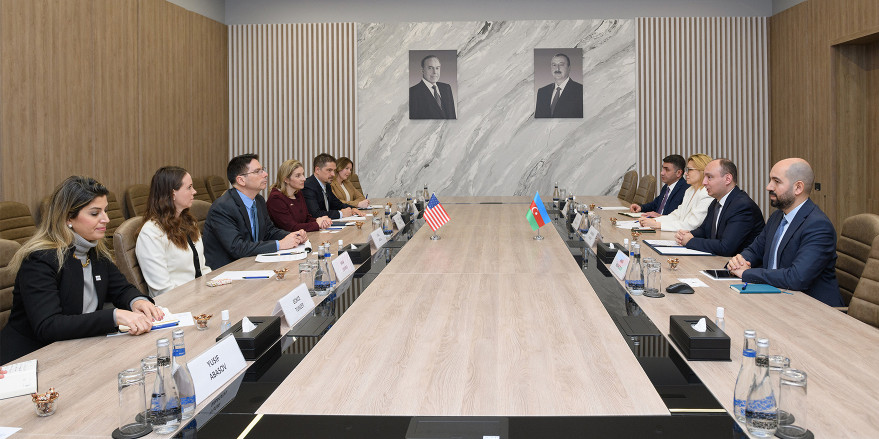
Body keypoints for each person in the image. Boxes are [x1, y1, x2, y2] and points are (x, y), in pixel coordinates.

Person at [0, 176, 163, 364]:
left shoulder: (95, 251)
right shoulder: (40, 259)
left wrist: (137, 301)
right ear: (68, 217)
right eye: (95, 213)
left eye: (105, 211)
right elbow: (48, 325)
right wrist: (114, 316)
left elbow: (122, 289)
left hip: (78, 348)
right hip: (31, 358)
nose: (106, 219)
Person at [727, 159, 843, 307]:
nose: (769, 187)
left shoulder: (818, 226)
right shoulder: (777, 216)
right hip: (776, 298)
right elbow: (755, 250)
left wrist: (746, 273)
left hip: (812, 308)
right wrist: (739, 261)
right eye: (770, 180)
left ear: (798, 188)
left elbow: (797, 278)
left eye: (776, 181)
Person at [202, 154, 308, 269]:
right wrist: (279, 244)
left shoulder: (258, 200)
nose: (265, 174)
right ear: (241, 180)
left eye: (263, 170)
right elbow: (237, 247)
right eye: (258, 171)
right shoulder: (222, 207)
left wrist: (294, 236)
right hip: (227, 269)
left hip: (252, 262)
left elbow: (269, 231)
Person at [136, 166, 212, 297]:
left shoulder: (189, 222)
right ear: (172, 194)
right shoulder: (151, 233)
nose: (194, 191)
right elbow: (162, 290)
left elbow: (203, 269)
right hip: (176, 302)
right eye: (189, 187)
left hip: (200, 295)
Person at [674, 159, 764, 256]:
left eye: (709, 177)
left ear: (728, 179)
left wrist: (690, 241)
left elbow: (725, 247)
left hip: (740, 263)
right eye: (704, 177)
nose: (704, 182)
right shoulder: (715, 202)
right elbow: (704, 230)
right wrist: (688, 235)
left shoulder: (742, 206)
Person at [640, 154, 713, 231]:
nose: (685, 173)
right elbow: (677, 215)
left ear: (702, 171)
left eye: (690, 170)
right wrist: (654, 221)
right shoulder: (690, 190)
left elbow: (691, 224)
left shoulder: (706, 194)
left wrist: (658, 224)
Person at [267, 159, 333, 232]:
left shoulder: (298, 193)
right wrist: (317, 224)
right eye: (298, 176)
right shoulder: (276, 198)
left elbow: (306, 218)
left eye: (303, 174)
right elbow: (291, 227)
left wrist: (320, 221)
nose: (304, 179)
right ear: (286, 179)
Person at [302, 153, 363, 220]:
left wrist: (352, 208)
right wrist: (340, 214)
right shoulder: (308, 186)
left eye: (334, 170)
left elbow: (337, 204)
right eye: (329, 170)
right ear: (317, 170)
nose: (333, 174)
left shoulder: (327, 185)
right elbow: (315, 214)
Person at [535, 53, 583, 118]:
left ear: (569, 68)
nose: (557, 69)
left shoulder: (580, 91)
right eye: (554, 65)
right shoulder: (542, 92)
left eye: (561, 65)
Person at [409, 55, 456, 119]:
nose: (435, 72)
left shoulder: (446, 88)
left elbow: (452, 115)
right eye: (430, 68)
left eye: (437, 68)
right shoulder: (412, 93)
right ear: (422, 70)